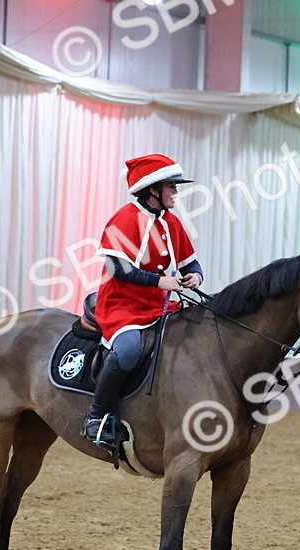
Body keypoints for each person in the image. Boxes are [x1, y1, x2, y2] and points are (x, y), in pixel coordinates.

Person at [82, 153, 204, 446]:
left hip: (161, 306)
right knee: (128, 351)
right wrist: (159, 281)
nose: (176, 192)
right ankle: (95, 418)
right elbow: (116, 267)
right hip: (123, 306)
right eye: (171, 187)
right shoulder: (124, 218)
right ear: (153, 190)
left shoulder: (171, 222)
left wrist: (196, 277)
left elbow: (191, 264)